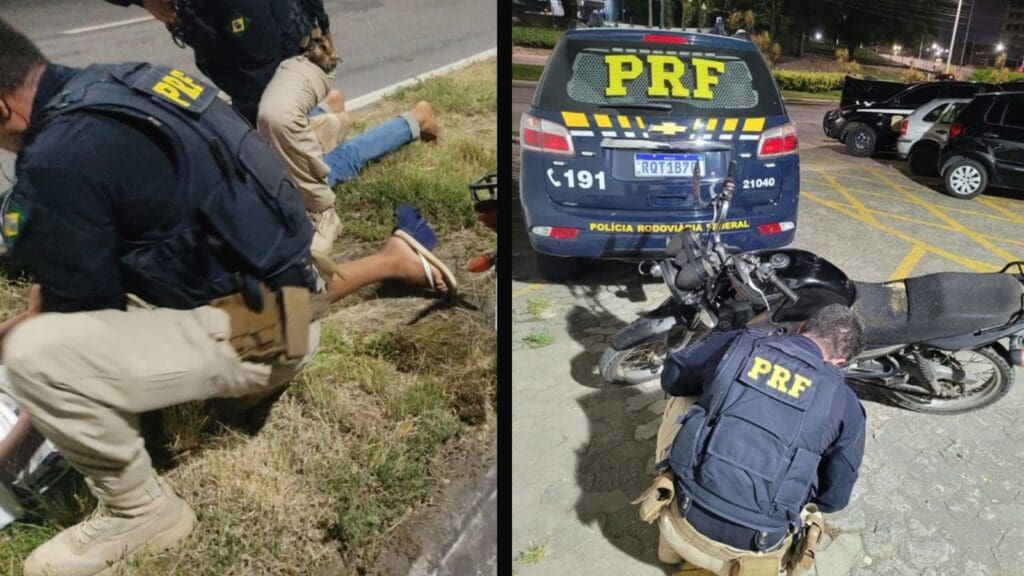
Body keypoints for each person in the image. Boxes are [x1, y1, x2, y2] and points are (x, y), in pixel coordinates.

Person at [0, 18, 454, 576]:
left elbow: (71, 343)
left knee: (34, 358)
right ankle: (391, 261)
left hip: (270, 332)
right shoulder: (123, 83)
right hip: (294, 279)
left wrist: (13, 446)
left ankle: (138, 512)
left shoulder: (55, 164)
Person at [105, 0, 441, 254]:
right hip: (255, 73)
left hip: (288, 59)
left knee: (282, 179)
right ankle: (321, 117)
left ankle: (412, 121)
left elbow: (260, 82)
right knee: (252, 154)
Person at [636, 304, 867, 576]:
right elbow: (834, 498)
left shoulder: (739, 343)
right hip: (755, 553)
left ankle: (670, 547)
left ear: (802, 327)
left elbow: (673, 377)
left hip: (684, 520)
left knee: (685, 396)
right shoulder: (845, 402)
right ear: (840, 363)